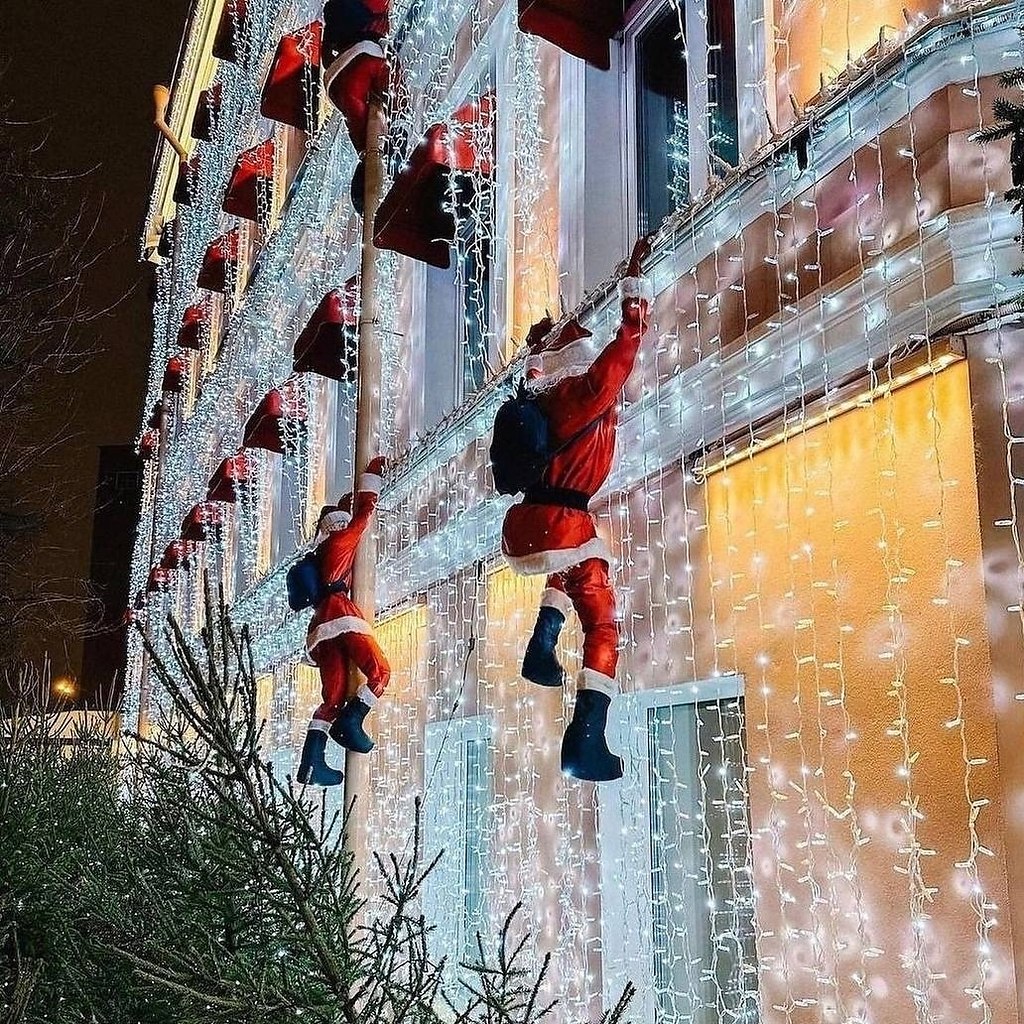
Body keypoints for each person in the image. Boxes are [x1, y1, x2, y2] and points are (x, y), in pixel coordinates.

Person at [500, 237, 653, 782]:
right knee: (603, 624)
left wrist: (540, 346)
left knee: (567, 570)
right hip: (562, 522)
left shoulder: (539, 402)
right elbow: (625, 347)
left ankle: (541, 647)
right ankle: (584, 739)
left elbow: (534, 374)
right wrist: (635, 289)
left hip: (528, 526)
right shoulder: (584, 395)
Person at [297, 456, 391, 786]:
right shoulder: (341, 541)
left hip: (320, 627)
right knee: (380, 671)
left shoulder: (319, 552)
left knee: (333, 697)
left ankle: (311, 763)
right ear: (338, 525)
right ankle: (351, 722)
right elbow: (363, 517)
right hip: (340, 614)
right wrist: (371, 482)